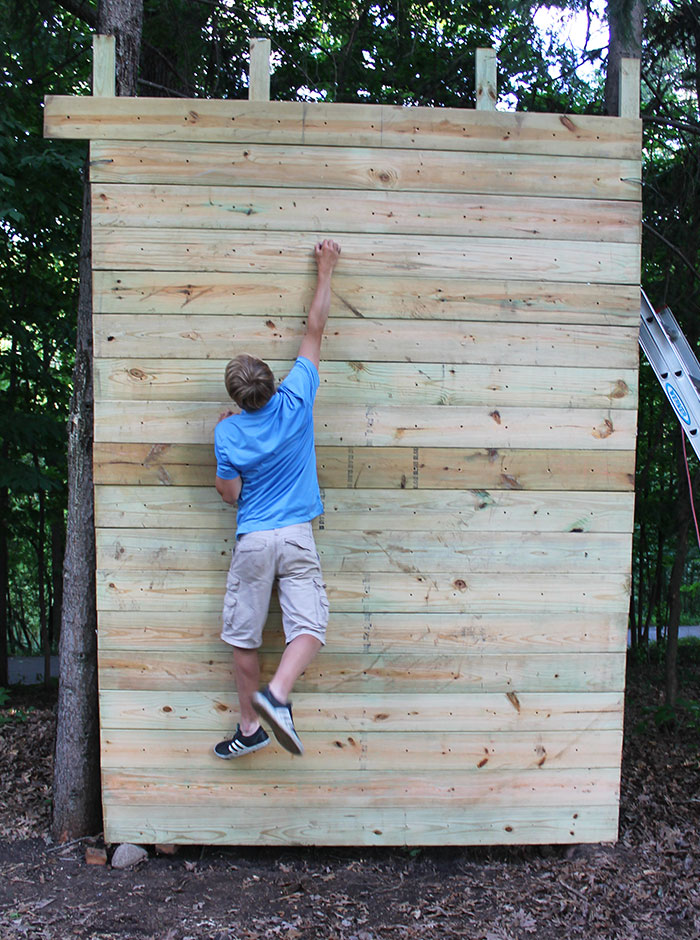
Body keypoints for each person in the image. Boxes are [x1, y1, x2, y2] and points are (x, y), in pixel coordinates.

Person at [212, 238, 341, 759]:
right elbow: (315, 328)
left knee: (244, 638)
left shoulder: (228, 433)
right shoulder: (297, 397)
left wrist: (229, 439)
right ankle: (278, 694)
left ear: (238, 399)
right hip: (295, 536)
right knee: (309, 626)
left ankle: (250, 727)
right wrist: (326, 269)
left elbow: (230, 495)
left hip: (254, 539)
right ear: (270, 381)